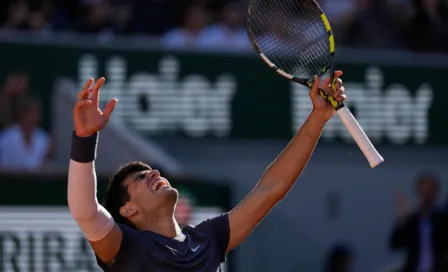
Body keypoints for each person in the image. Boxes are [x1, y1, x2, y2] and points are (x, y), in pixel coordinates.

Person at [67, 72, 346, 271]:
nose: (154, 173)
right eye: (141, 178)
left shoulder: (208, 239)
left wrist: (318, 117)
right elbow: (86, 212)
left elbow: (271, 189)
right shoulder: (126, 248)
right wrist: (85, 139)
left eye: (152, 170)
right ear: (127, 211)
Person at [389, 172, 448, 272]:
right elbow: (395, 244)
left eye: (429, 191)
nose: (426, 195)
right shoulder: (412, 220)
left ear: (436, 192)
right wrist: (402, 222)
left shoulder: (443, 219)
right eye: (423, 191)